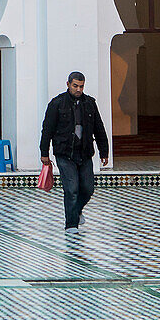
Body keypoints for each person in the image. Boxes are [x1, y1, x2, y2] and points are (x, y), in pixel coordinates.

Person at [39, 71, 109, 234]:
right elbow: (47, 129)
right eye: (75, 86)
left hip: (84, 152)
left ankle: (76, 212)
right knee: (71, 189)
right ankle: (71, 224)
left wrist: (104, 151)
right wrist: (44, 153)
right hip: (64, 153)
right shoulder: (57, 103)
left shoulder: (90, 103)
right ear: (68, 84)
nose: (78, 89)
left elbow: (99, 128)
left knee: (87, 188)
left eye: (81, 86)